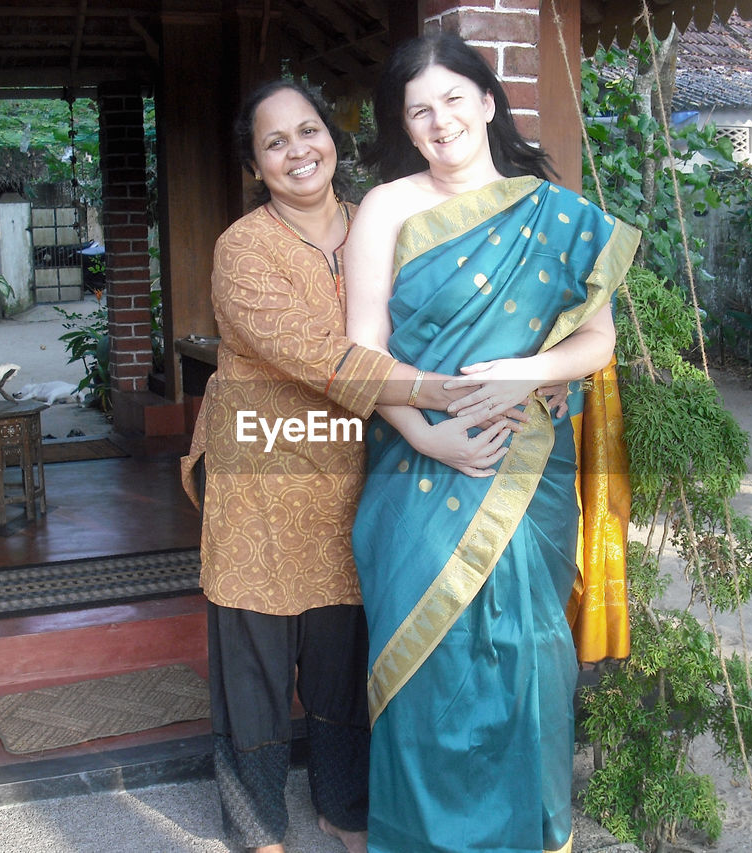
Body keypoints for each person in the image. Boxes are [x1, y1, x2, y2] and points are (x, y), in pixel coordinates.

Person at [179, 79, 508, 853]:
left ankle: (343, 806)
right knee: (255, 663)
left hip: (359, 474)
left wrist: (524, 375)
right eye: (275, 142)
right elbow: (317, 354)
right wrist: (431, 394)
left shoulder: (380, 225)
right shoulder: (243, 248)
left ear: (334, 137)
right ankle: (257, 825)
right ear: (256, 165)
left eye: (309, 131)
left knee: (342, 658)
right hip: (261, 476)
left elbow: (443, 313)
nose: (299, 151)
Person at [344, 33, 641, 853]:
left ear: (486, 101)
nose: (439, 122)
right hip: (416, 472)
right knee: (426, 672)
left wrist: (524, 369)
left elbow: (598, 343)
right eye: (418, 111)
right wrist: (426, 435)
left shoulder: (552, 211)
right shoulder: (387, 208)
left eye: (451, 100)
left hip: (527, 471)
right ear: (407, 129)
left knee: (528, 666)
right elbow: (363, 351)